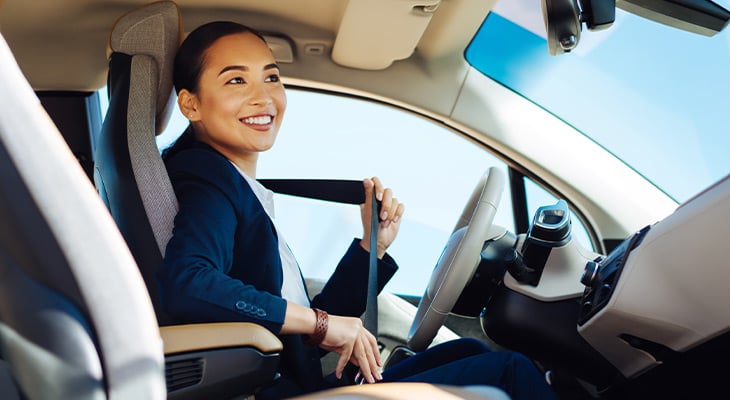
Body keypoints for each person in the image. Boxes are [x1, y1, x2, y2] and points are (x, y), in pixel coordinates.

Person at [158, 20, 559, 400]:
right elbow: (188, 283)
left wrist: (372, 247)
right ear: (191, 105)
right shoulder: (207, 178)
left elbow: (296, 333)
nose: (263, 96)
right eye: (236, 80)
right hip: (277, 391)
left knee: (469, 350)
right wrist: (320, 324)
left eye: (272, 77)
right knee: (510, 372)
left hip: (295, 381)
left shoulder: (235, 184)